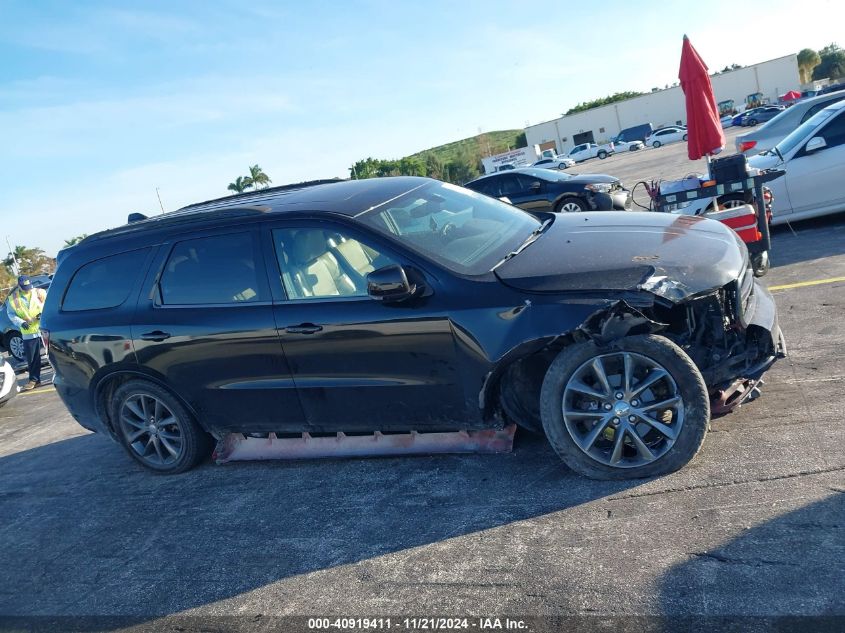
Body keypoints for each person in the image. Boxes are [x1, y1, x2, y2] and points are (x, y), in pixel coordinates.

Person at [6, 275, 48, 391]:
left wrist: (43, 314)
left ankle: (63, 376)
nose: (27, 289)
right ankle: (35, 380)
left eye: (29, 287)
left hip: (44, 328)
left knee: (54, 353)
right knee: (33, 358)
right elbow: (11, 314)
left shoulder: (40, 293)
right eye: (25, 287)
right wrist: (20, 322)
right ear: (19, 286)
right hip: (29, 332)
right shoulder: (13, 299)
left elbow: (49, 305)